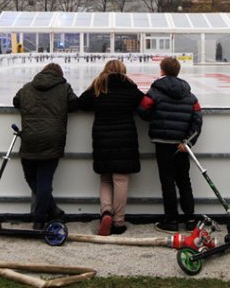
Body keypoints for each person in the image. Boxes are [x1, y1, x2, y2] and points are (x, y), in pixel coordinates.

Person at [78, 59, 145, 236]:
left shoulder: (98, 86)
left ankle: (106, 212)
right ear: (123, 71)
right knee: (121, 179)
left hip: (102, 138)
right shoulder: (130, 87)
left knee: (106, 179)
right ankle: (118, 221)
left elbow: (81, 103)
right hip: (125, 137)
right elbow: (144, 106)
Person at [137, 56, 203, 233]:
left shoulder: (156, 90)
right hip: (182, 145)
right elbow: (197, 119)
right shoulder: (190, 95)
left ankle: (171, 220)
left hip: (162, 142)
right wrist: (188, 141)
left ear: (162, 70)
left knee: (167, 181)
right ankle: (190, 219)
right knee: (184, 181)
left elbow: (143, 110)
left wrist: (157, 118)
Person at [12, 62, 78, 229]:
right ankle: (44, 216)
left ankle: (46, 214)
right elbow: (75, 104)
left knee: (31, 178)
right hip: (52, 139)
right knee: (44, 180)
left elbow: (16, 101)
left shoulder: (27, 88)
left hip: (29, 138)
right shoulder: (64, 88)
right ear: (60, 75)